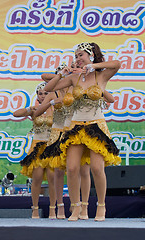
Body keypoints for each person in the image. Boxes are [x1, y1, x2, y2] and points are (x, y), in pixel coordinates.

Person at [44, 42, 121, 221]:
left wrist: (93, 66)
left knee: (96, 167)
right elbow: (49, 88)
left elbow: (117, 64)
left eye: (81, 55)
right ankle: (76, 207)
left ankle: (101, 206)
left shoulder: (101, 76)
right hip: (76, 126)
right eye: (76, 56)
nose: (78, 59)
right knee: (71, 168)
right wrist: (62, 74)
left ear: (90, 55)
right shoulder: (73, 79)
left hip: (96, 126)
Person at [14, 82, 58, 219]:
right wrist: (30, 108)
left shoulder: (55, 108)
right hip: (37, 146)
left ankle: (52, 209)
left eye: (46, 93)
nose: (43, 95)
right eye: (40, 93)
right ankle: (35, 208)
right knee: (37, 178)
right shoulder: (35, 110)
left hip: (51, 146)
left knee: (52, 178)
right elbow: (16, 113)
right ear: (37, 96)